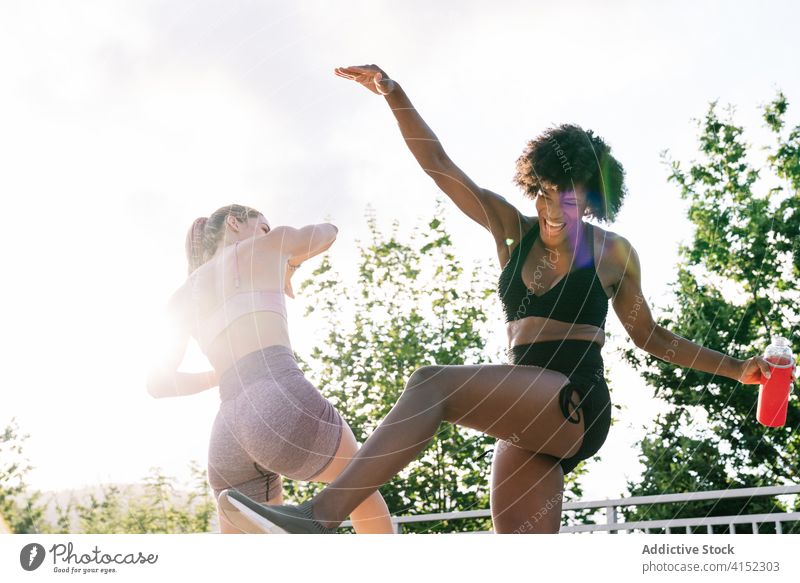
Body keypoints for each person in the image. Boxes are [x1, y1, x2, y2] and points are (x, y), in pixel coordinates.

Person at [218, 66, 772, 534]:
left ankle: (317, 519)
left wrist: (739, 369)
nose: (556, 213)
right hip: (523, 403)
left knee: (433, 384)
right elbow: (441, 168)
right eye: (547, 195)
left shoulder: (612, 254)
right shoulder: (510, 229)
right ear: (534, 187)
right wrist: (394, 92)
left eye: (571, 201)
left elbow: (651, 337)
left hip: (574, 400)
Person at [146, 204, 393, 533]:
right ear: (234, 222)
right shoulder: (269, 245)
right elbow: (327, 233)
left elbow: (158, 384)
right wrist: (288, 260)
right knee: (359, 486)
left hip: (227, 430)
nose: (268, 232)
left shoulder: (182, 295)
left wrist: (218, 376)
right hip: (278, 394)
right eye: (263, 226)